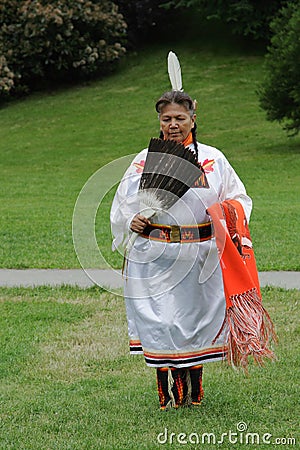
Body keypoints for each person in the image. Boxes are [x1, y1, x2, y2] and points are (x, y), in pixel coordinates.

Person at [110, 90, 252, 410]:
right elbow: (123, 203)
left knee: (193, 322)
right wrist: (131, 218)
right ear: (159, 121)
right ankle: (166, 392)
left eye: (180, 118)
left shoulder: (213, 160)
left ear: (193, 119)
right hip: (155, 252)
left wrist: (225, 214)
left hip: (200, 255)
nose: (173, 125)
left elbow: (239, 199)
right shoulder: (143, 161)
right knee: (161, 323)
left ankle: (193, 389)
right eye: (166, 119)